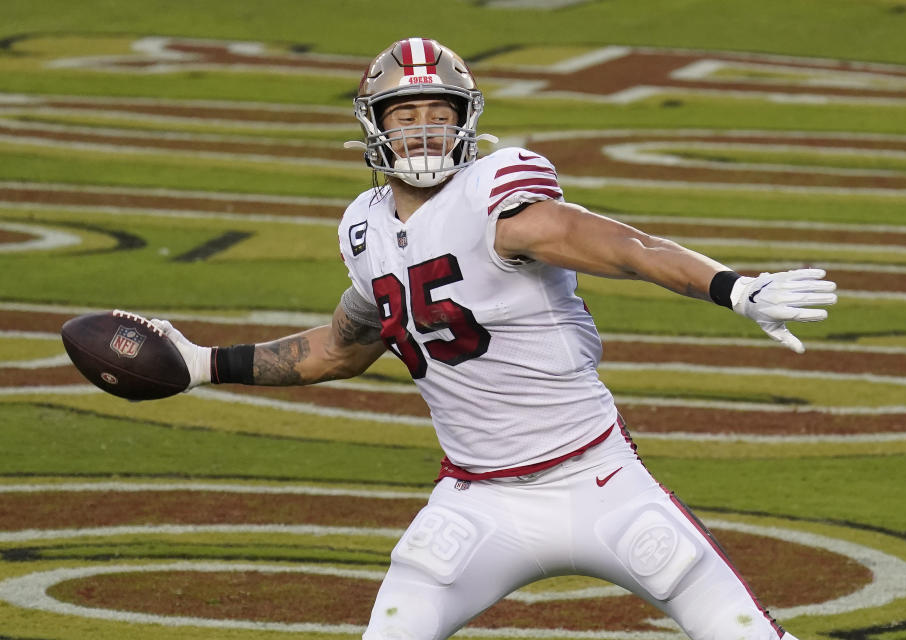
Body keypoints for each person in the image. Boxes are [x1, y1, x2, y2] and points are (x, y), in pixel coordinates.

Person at [155, 37, 836, 640]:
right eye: (404, 114)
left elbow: (619, 245)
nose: (423, 131)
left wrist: (730, 286)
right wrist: (202, 364)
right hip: (478, 501)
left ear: (465, 122)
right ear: (374, 125)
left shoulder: (495, 191)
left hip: (601, 479)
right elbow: (342, 346)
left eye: (438, 114)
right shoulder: (363, 227)